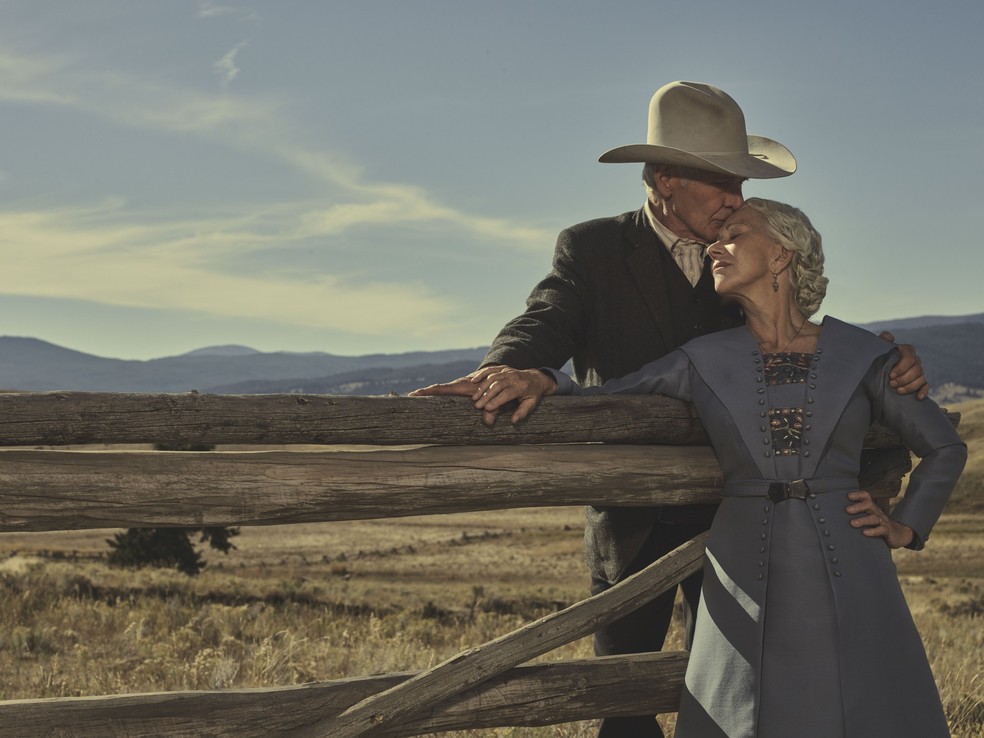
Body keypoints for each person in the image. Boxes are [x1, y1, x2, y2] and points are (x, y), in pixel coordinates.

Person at [411, 81, 928, 738]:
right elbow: (547, 318)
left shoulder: (745, 250)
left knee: (744, 690)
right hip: (630, 521)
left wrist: (876, 362)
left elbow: (796, 337)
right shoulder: (593, 250)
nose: (736, 198)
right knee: (623, 699)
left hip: (740, 522)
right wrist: (509, 365)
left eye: (739, 182)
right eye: (719, 182)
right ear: (662, 179)